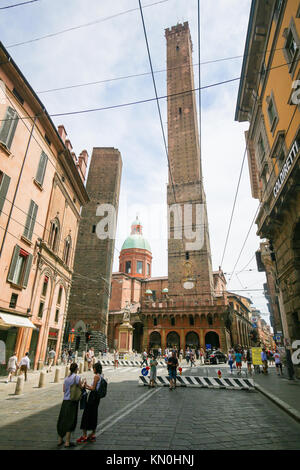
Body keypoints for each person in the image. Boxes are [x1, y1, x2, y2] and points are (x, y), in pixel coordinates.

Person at [57, 363, 85, 448]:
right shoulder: (77, 378)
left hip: (65, 401)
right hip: (72, 402)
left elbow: (64, 389)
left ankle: (60, 439)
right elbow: (81, 387)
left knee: (62, 420)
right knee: (70, 420)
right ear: (76, 369)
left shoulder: (66, 378)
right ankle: (67, 442)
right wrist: (84, 383)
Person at [77, 362, 103, 443]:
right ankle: (93, 434)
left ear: (96, 369)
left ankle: (84, 435)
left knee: (86, 415)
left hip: (92, 398)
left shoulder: (96, 376)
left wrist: (86, 386)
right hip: (97, 399)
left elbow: (93, 388)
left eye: (94, 367)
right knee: (94, 414)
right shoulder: (101, 376)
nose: (93, 369)